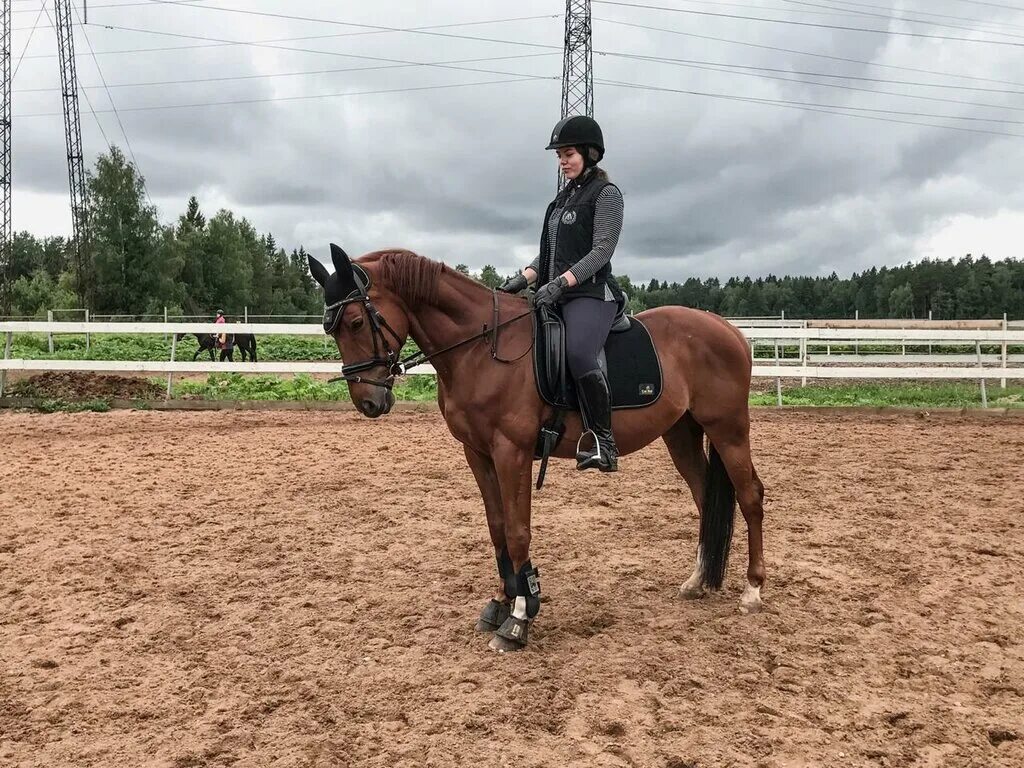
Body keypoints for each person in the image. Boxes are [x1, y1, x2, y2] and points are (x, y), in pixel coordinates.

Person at [499, 115, 625, 472]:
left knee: (579, 353)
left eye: (568, 154)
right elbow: (551, 252)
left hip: (591, 294)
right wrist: (523, 278)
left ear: (590, 153)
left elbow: (601, 250)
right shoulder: (563, 199)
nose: (562, 161)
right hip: (556, 294)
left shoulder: (606, 195)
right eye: (559, 156)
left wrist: (562, 282)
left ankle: (604, 440)